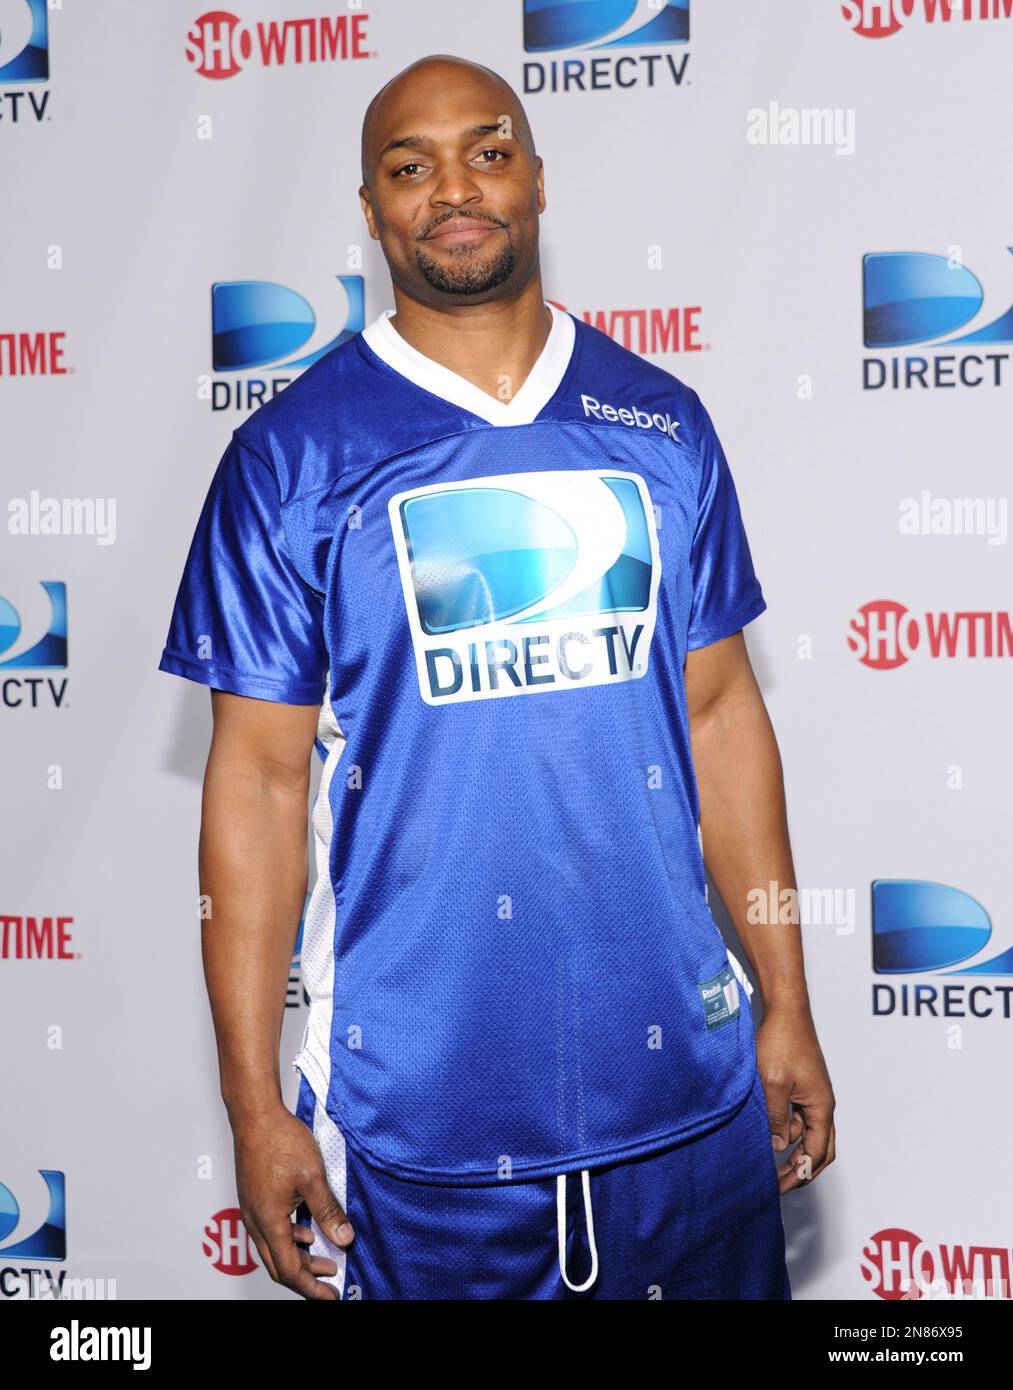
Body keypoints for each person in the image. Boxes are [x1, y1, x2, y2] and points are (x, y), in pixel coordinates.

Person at [158, 53, 835, 1301]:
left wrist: (783, 999)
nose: (451, 188)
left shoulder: (659, 423)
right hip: (424, 1138)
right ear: (369, 211)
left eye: (486, 150)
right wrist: (253, 1105)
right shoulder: (290, 459)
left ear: (535, 179)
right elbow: (251, 785)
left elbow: (722, 716)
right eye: (407, 167)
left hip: (689, 1106)